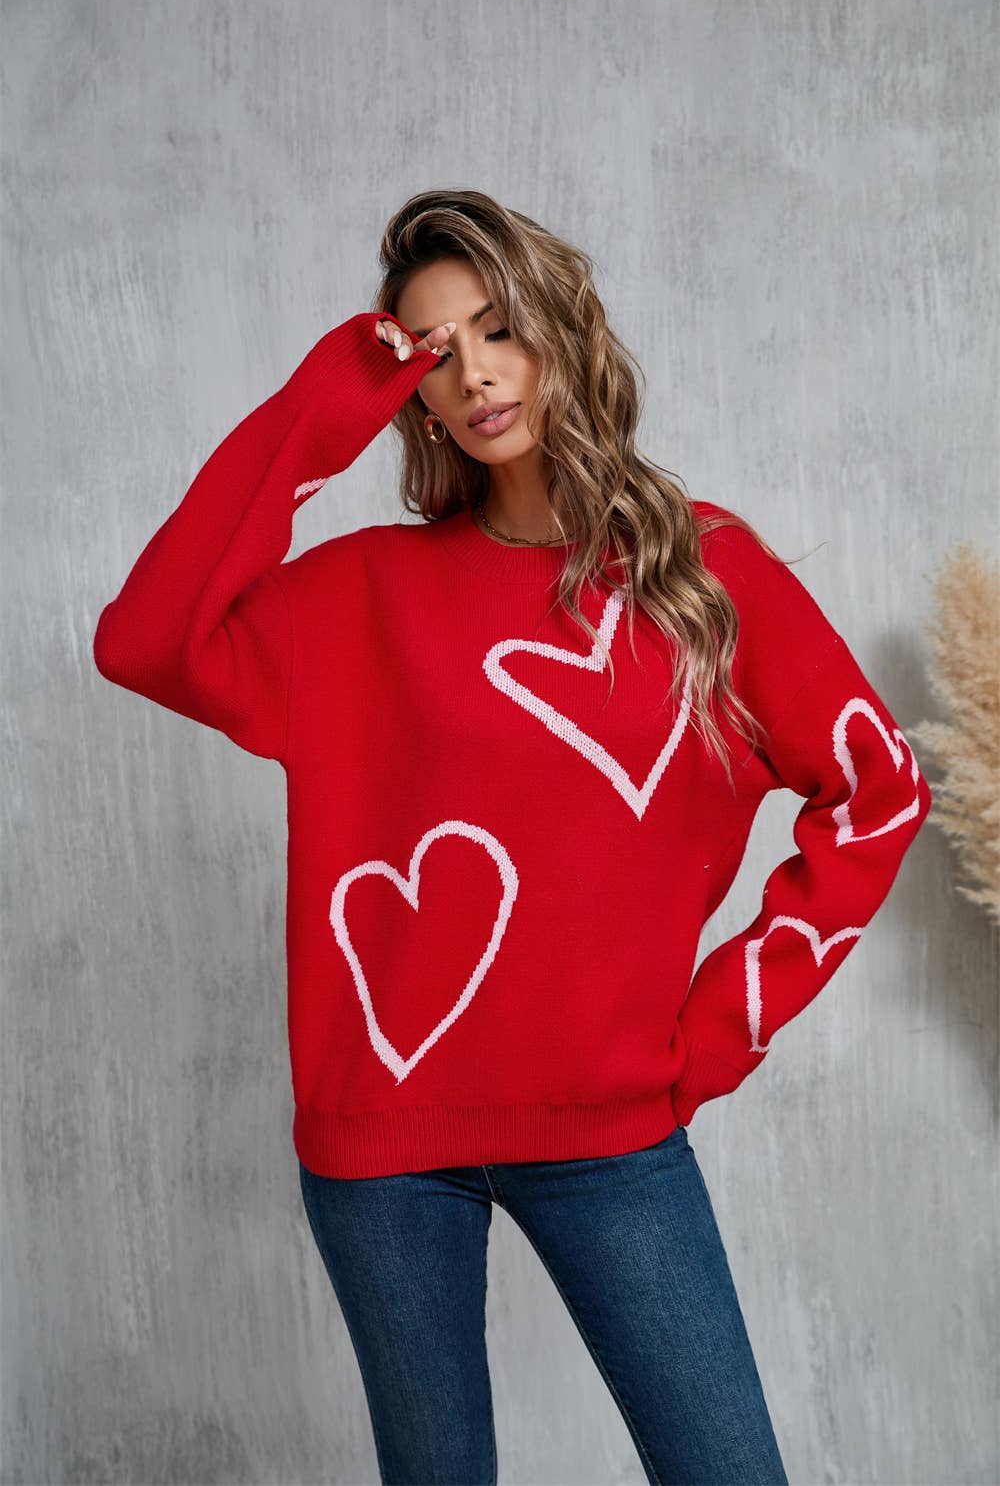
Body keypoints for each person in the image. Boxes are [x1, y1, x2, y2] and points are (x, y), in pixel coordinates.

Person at [93, 189, 932, 1485]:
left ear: (559, 330)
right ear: (415, 396)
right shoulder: (364, 592)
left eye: (497, 328)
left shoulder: (707, 578)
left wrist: (718, 1028)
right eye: (434, 354)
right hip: (382, 1149)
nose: (476, 374)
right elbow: (145, 641)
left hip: (612, 1135)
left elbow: (877, 789)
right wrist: (328, 403)